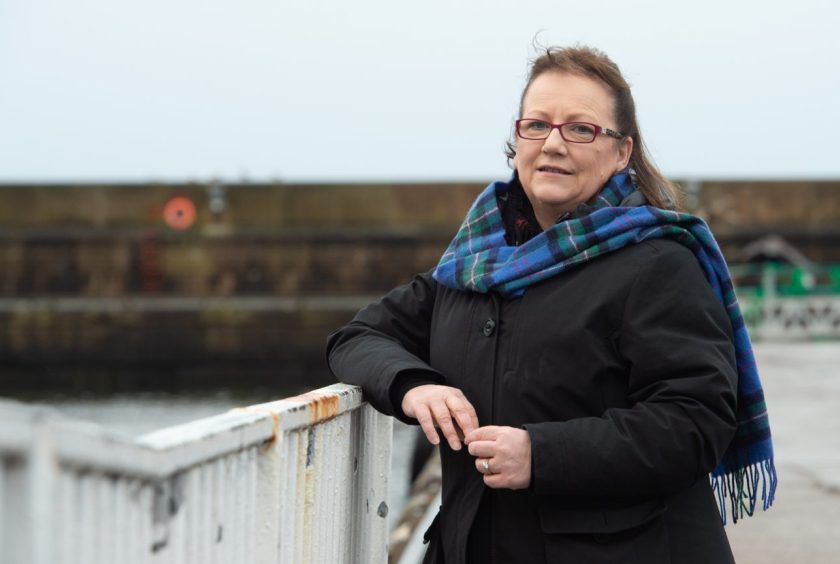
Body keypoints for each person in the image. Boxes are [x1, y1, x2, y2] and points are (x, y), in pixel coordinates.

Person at [326, 45, 776, 564]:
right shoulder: (472, 265)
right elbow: (356, 337)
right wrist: (412, 385)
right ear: (517, 140)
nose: (553, 144)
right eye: (537, 125)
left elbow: (696, 423)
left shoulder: (659, 263)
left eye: (580, 129)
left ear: (622, 151)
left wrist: (541, 455)